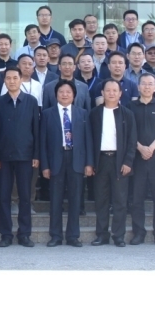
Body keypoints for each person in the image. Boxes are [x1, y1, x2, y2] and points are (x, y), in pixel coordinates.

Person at [0, 68, 40, 248]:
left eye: (15, 78)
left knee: (25, 196)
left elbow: (36, 129)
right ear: (4, 81)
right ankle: (6, 234)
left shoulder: (31, 101)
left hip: (26, 155)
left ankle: (24, 234)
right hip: (3, 156)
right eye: (8, 78)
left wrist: (36, 154)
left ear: (21, 80)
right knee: (4, 196)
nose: (12, 81)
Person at [40, 79, 91, 247]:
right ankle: (55, 235)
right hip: (56, 160)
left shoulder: (82, 113)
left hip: (76, 159)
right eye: (61, 92)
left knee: (75, 200)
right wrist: (45, 165)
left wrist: (89, 163)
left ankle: (73, 236)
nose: (65, 94)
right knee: (56, 200)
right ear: (56, 95)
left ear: (74, 95)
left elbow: (88, 139)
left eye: (68, 92)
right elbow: (43, 142)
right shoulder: (47, 114)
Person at [88, 80, 137, 247]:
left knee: (120, 200)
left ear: (120, 93)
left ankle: (118, 235)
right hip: (100, 160)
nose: (111, 93)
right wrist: (90, 163)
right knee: (101, 200)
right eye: (108, 90)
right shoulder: (95, 113)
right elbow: (89, 139)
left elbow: (132, 140)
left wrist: (128, 161)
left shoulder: (127, 114)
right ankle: (102, 235)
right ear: (102, 92)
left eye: (115, 90)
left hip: (119, 160)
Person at [127, 74, 155, 246]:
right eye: (144, 84)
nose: (147, 87)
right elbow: (128, 131)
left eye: (150, 84)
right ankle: (138, 233)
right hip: (137, 157)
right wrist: (140, 148)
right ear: (138, 87)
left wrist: (151, 148)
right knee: (137, 197)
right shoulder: (130, 106)